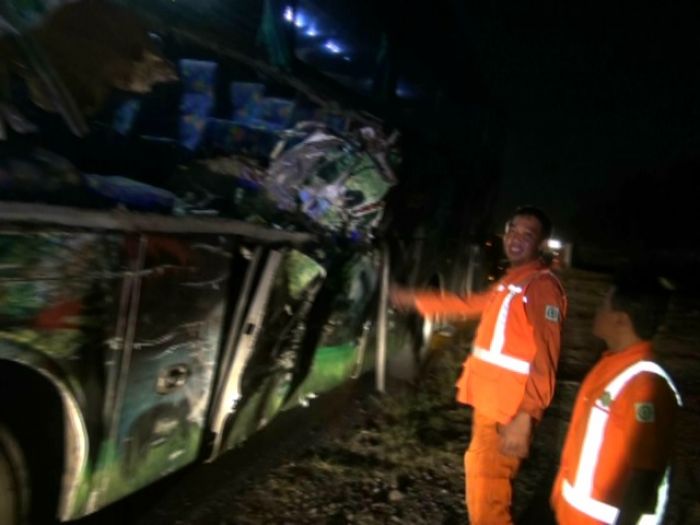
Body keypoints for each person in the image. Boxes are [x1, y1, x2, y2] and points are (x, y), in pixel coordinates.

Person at [391, 206, 567, 525]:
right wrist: (413, 299)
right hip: (492, 405)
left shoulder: (541, 287)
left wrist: (527, 415)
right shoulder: (512, 282)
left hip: (508, 411)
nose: (515, 239)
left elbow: (547, 357)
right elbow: (468, 304)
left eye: (528, 235)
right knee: (483, 489)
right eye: (512, 230)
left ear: (541, 244)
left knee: (489, 501)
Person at [550, 273, 682, 525]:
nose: (596, 311)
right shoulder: (611, 365)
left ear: (621, 320)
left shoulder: (646, 386)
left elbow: (645, 477)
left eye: (603, 305)